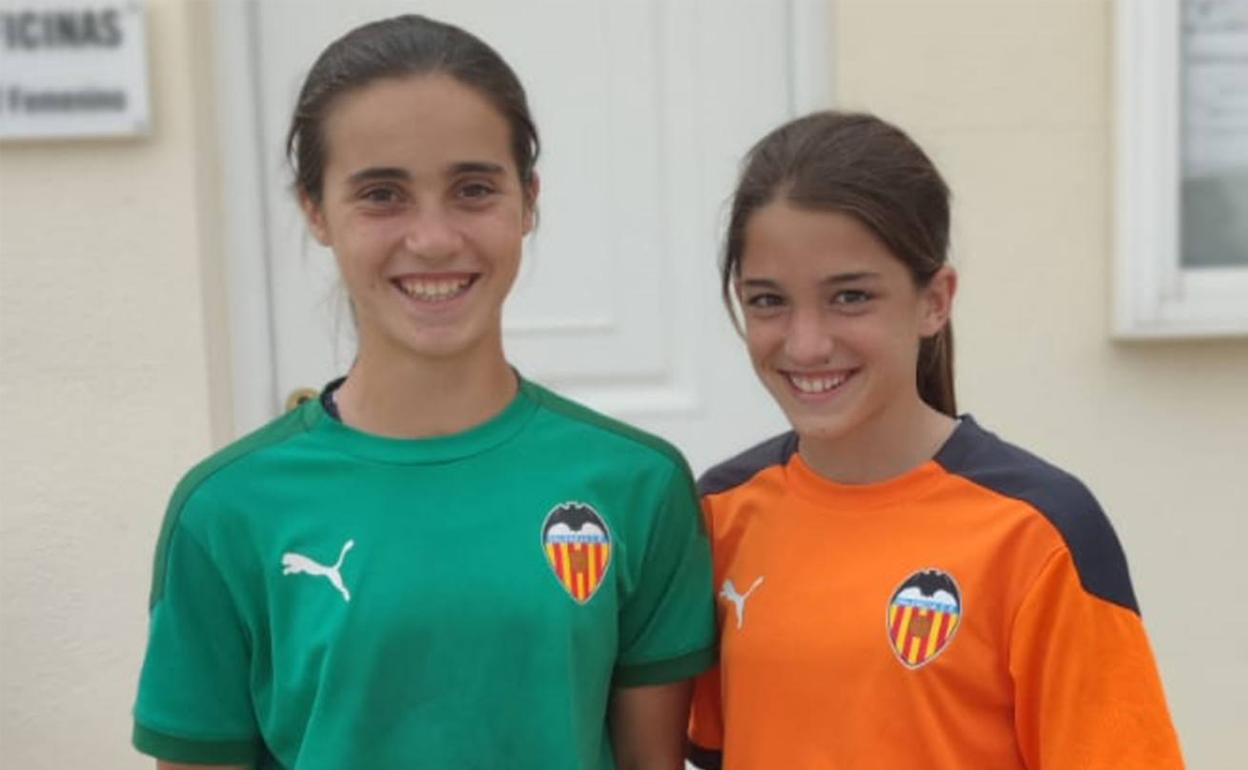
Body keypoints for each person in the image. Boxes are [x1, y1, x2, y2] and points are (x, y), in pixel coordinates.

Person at [132, 15, 714, 770]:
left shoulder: (638, 486)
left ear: (528, 199)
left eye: (473, 188)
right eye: (382, 194)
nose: (434, 238)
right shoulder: (226, 513)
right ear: (315, 210)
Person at [686, 111, 1184, 769]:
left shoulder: (1037, 533)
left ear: (935, 301)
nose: (805, 343)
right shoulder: (717, 515)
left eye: (851, 297)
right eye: (768, 301)